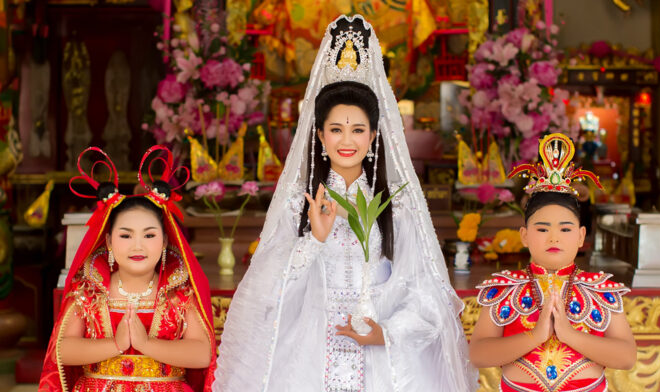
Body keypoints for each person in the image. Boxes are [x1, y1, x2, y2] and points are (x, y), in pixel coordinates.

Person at [213, 14, 477, 392]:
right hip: (308, 355)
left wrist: (385, 332)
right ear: (320, 135)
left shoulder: (396, 207)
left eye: (357, 130)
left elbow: (427, 293)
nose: (346, 140)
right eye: (336, 129)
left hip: (381, 360)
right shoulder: (298, 204)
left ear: (374, 136)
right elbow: (266, 291)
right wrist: (314, 241)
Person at [40, 146, 217, 392]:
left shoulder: (179, 292)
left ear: (165, 240)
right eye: (126, 236)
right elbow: (63, 350)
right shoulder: (90, 288)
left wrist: (146, 344)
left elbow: (201, 354)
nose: (138, 246)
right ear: (109, 242)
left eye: (149, 235)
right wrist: (116, 344)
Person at [469, 134, 636, 392]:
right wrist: (535, 336)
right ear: (524, 235)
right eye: (543, 229)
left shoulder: (601, 290)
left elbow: (626, 357)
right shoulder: (502, 289)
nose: (554, 237)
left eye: (566, 229)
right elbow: (478, 353)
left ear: (581, 236)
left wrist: (569, 335)